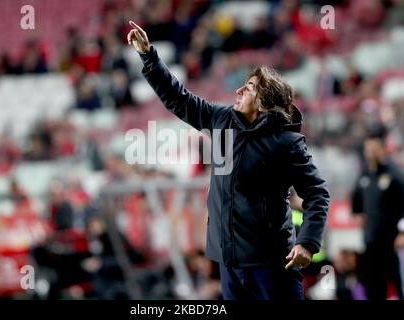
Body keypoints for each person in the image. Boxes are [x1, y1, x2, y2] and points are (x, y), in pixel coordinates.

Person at [127, 20, 330, 300]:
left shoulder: (286, 143)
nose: (237, 91)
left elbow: (317, 193)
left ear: (263, 102)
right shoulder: (221, 120)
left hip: (271, 264)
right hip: (228, 262)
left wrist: (307, 243)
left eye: (247, 88)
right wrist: (149, 55)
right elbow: (178, 99)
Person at [351, 127, 404, 300]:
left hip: (392, 242)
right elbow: (356, 200)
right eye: (368, 149)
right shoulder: (364, 176)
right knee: (373, 286)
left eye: (374, 149)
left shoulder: (394, 174)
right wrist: (357, 213)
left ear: (382, 149)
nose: (370, 153)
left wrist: (402, 232)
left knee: (398, 283)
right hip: (371, 242)